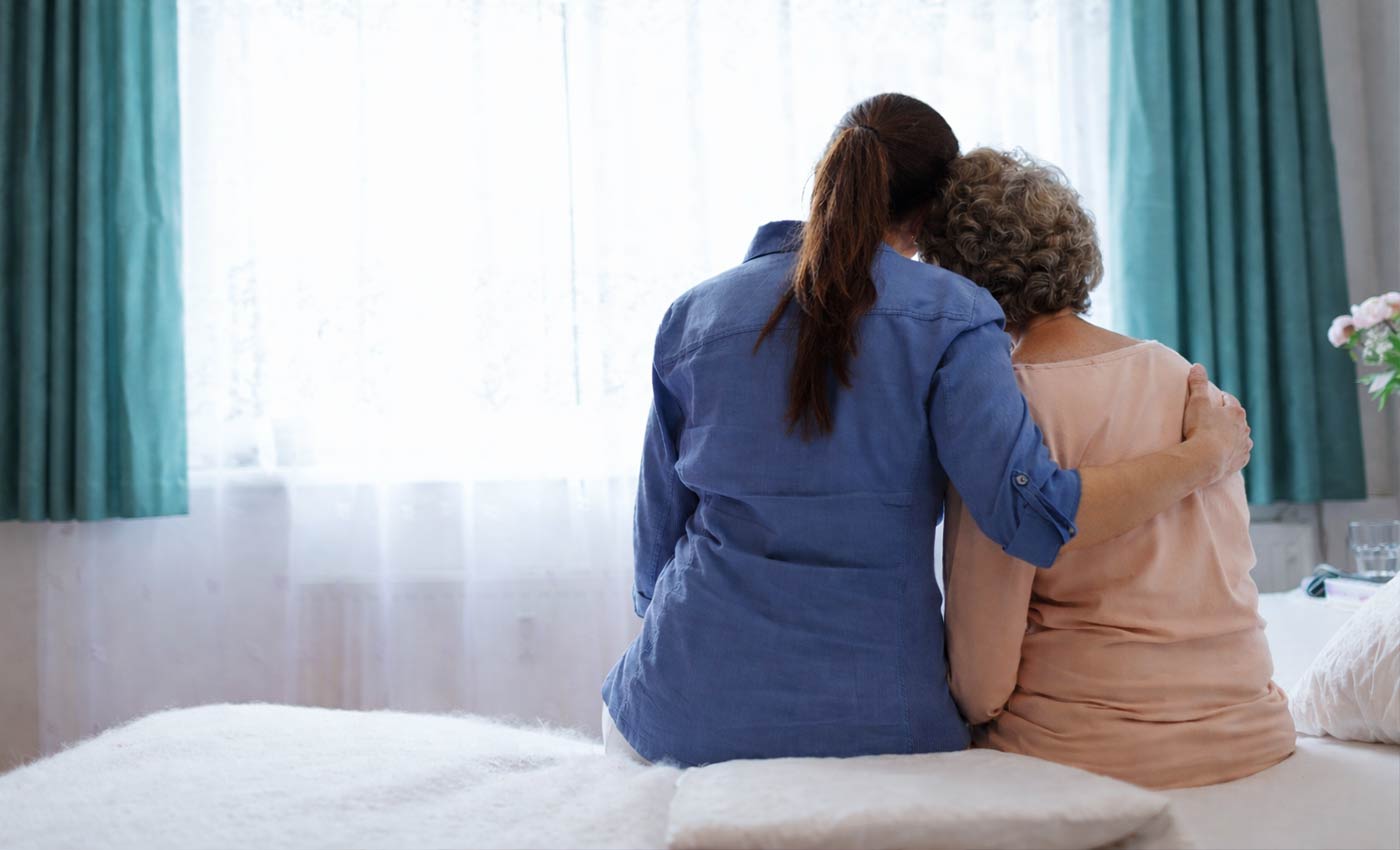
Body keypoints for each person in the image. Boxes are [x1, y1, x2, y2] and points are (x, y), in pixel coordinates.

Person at [601, 94, 1253, 767]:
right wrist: (1205, 455)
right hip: (880, 725)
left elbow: (654, 554)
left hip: (677, 710)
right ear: (929, 216)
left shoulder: (694, 314)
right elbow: (1033, 516)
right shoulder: (956, 316)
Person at [926, 148, 1294, 789]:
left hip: (1092, 746)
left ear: (954, 276)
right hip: (1250, 728)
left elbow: (982, 682)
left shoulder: (1000, 409)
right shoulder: (1183, 375)